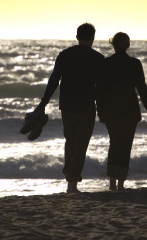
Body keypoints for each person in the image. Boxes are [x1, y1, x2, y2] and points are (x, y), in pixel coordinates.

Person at [33, 23, 104, 193]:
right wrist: (102, 110)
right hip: (87, 106)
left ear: (77, 36)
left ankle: (69, 179)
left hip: (67, 105)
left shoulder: (65, 55)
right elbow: (102, 88)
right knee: (81, 144)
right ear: (92, 38)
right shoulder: (98, 58)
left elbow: (53, 81)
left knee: (70, 141)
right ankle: (72, 182)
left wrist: (43, 104)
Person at [97, 32, 147, 191]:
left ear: (112, 44)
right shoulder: (134, 63)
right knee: (125, 146)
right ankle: (120, 184)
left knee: (114, 144)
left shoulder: (106, 63)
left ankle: (112, 183)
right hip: (130, 111)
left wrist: (100, 112)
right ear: (127, 45)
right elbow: (142, 90)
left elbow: (99, 90)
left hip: (111, 112)